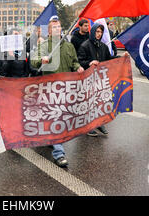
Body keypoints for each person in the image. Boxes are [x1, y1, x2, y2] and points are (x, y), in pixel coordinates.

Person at [30, 17, 84, 168]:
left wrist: (78, 67)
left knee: (59, 120)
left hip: (65, 89)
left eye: (59, 26)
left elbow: (74, 61)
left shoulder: (69, 46)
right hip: (49, 90)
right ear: (49, 30)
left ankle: (49, 138)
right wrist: (42, 60)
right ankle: (59, 154)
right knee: (56, 119)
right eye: (54, 27)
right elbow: (33, 61)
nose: (57, 29)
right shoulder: (44, 45)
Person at [77, 23, 128, 137]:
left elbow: (109, 60)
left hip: (100, 79)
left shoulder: (103, 46)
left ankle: (99, 123)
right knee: (89, 103)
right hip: (88, 79)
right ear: (93, 32)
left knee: (100, 102)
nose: (99, 34)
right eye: (97, 32)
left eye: (100, 32)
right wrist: (89, 63)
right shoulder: (85, 45)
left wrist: (121, 58)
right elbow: (79, 61)